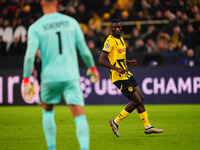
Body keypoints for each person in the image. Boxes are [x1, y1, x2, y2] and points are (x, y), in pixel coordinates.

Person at [22, 0, 100, 150]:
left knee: (48, 111)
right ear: (57, 2)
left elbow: (30, 57)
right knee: (79, 116)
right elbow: (84, 50)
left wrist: (26, 79)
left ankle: (52, 148)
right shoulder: (71, 22)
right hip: (70, 76)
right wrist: (93, 68)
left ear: (41, 3)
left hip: (49, 77)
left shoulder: (35, 28)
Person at [99, 19, 164, 137]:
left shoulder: (122, 39)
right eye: (114, 27)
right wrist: (116, 69)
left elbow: (119, 58)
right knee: (137, 100)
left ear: (121, 28)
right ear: (111, 28)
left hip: (126, 73)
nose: (117, 29)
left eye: (119, 27)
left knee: (141, 98)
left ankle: (147, 126)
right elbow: (101, 60)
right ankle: (115, 121)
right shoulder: (109, 41)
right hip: (118, 76)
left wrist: (128, 62)